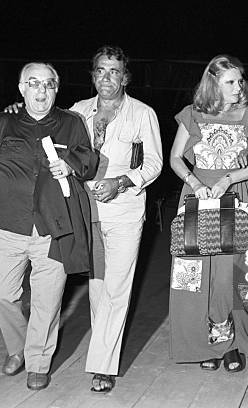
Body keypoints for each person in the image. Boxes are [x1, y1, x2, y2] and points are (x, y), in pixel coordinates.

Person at [0, 62, 99, 391]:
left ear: (57, 88)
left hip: (53, 228)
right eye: (34, 84)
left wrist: (69, 166)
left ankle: (37, 362)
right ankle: (19, 346)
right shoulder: (4, 122)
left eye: (49, 84)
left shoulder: (71, 123)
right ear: (21, 88)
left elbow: (89, 160)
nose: (42, 91)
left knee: (47, 301)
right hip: (7, 225)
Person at [168, 55, 248, 373]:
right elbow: (175, 158)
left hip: (235, 198)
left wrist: (229, 178)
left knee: (231, 277)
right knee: (194, 277)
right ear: (212, 82)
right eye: (230, 82)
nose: (238, 87)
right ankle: (202, 344)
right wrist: (196, 183)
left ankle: (230, 345)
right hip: (197, 199)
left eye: (240, 81)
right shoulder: (193, 115)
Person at [70, 46, 163, 393]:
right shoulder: (78, 112)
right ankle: (103, 351)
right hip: (87, 211)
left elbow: (153, 164)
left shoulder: (142, 113)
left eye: (114, 71)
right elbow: (50, 137)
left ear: (125, 77)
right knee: (97, 287)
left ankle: (103, 366)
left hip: (124, 210)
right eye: (100, 71)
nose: (106, 78)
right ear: (92, 75)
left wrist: (122, 182)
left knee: (117, 288)